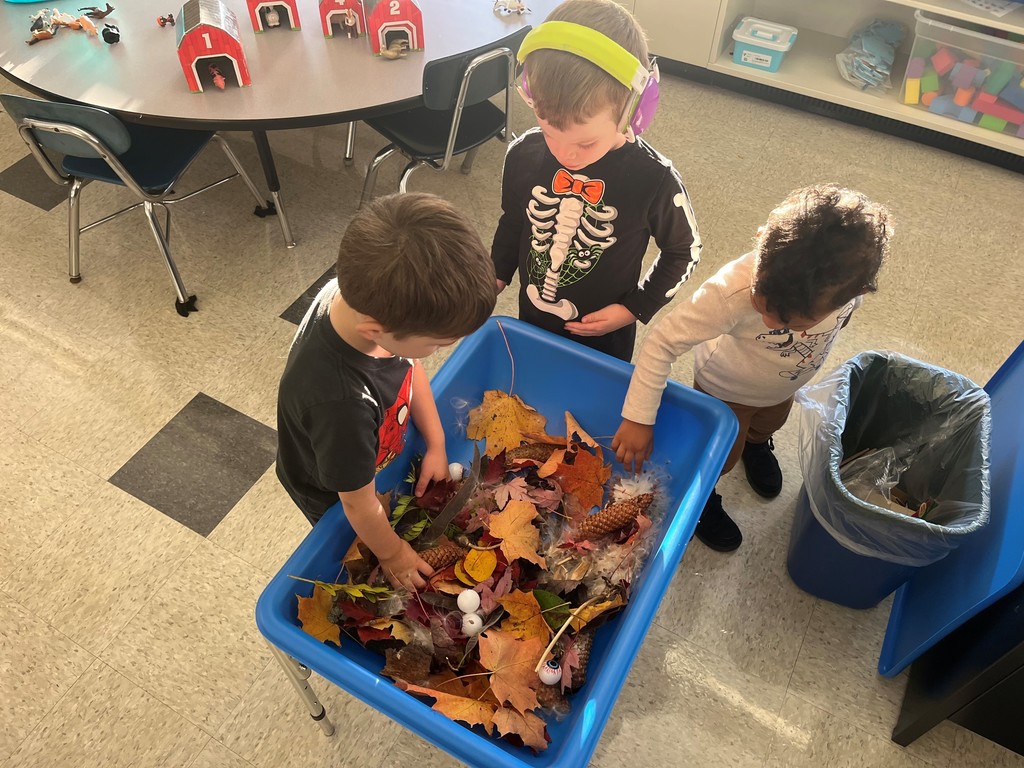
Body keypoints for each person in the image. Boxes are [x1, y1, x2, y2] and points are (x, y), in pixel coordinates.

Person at [613, 184, 893, 551]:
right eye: (762, 304)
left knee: (769, 422)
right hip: (726, 389)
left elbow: (841, 320)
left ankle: (757, 445)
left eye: (789, 320)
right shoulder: (730, 291)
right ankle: (702, 499)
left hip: (783, 386)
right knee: (721, 458)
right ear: (761, 241)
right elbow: (662, 342)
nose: (766, 316)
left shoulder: (844, 289)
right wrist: (638, 417)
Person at [276, 193, 497, 589]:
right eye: (436, 344)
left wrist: (436, 442)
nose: (433, 353)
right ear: (375, 331)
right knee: (351, 539)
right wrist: (394, 553)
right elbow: (356, 503)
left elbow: (410, 367)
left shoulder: (364, 300)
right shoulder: (341, 404)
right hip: (332, 487)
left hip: (367, 451)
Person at [491, 0, 701, 362]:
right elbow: (514, 220)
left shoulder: (654, 179)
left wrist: (633, 309)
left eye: (585, 142)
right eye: (548, 130)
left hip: (604, 337)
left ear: (634, 112)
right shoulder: (524, 153)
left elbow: (685, 251)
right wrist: (495, 272)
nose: (564, 155)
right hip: (531, 319)